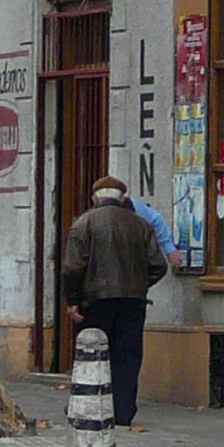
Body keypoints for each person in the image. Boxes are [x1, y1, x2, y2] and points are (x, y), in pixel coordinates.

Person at [60, 174, 168, 429]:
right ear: (123, 198)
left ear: (95, 198)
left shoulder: (83, 223)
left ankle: (86, 405)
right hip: (133, 301)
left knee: (92, 354)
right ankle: (123, 411)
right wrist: (139, 284)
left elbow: (72, 268)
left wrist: (73, 301)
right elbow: (158, 266)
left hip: (95, 300)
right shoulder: (141, 225)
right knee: (127, 356)